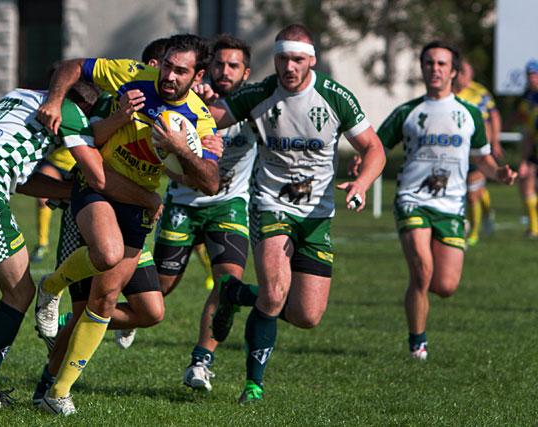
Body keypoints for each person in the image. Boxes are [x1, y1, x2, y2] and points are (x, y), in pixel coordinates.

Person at [0, 81, 135, 416]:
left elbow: (24, 181)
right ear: (88, 108)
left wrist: (64, 190)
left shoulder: (16, 96)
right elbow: (96, 176)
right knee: (20, 294)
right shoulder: (71, 113)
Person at [197, 24, 386, 403]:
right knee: (273, 294)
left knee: (306, 316)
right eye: (283, 58)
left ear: (311, 60)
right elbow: (209, 116)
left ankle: (233, 293)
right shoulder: (260, 93)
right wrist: (197, 113)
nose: (289, 66)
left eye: (298, 59)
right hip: (271, 205)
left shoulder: (335, 97)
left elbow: (374, 149)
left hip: (317, 216)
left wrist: (362, 183)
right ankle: (253, 385)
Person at [33, 34, 221, 415]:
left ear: (197, 75)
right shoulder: (132, 75)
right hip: (98, 186)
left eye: (179, 71)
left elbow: (211, 181)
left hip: (137, 205)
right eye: (166, 65)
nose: (168, 75)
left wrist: (180, 148)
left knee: (144, 311)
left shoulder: (200, 119)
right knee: (106, 258)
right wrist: (54, 100)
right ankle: (52, 303)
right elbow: (73, 67)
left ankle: (55, 390)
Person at [375, 41, 516, 361]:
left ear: (453, 71)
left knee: (445, 286)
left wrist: (500, 174)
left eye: (441, 64)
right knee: (422, 271)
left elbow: (482, 160)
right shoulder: (407, 112)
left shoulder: (469, 115)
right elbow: (376, 147)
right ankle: (417, 344)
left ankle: (421, 313)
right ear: (422, 68)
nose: (434, 69)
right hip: (412, 200)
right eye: (428, 63)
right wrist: (362, 168)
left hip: (451, 206)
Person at [148, 34, 256, 393]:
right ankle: (126, 315)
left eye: (233, 65)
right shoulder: (190, 101)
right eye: (219, 64)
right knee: (160, 289)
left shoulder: (257, 104)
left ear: (246, 72)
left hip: (229, 204)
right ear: (206, 71)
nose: (225, 71)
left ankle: (200, 362)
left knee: (228, 285)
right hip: (182, 203)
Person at [452, 58, 504, 246]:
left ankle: (473, 232)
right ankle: (486, 212)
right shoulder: (447, 94)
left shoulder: (479, 93)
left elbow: (493, 116)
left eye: (464, 71)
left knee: (473, 191)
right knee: (469, 191)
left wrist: (494, 142)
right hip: (457, 151)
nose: (461, 75)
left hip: (478, 149)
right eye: (458, 71)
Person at [29, 147, 76, 263]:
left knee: (73, 206)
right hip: (53, 163)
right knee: (42, 198)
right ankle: (42, 244)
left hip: (77, 166)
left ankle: (72, 245)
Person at [514, 60, 538, 238]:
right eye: (529, 75)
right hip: (533, 147)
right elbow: (528, 130)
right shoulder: (527, 96)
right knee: (525, 182)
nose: (531, 78)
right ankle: (534, 229)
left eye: (534, 74)